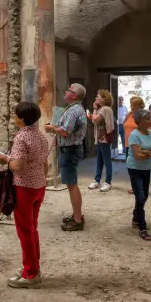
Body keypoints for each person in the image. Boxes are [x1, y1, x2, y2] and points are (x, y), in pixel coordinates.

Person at [0, 102, 49, 289]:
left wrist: (6, 160)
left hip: (24, 187)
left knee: (25, 231)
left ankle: (31, 274)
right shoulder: (41, 136)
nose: (14, 117)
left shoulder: (21, 138)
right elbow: (44, 164)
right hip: (38, 186)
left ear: (21, 118)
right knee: (32, 228)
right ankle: (32, 267)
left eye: (15, 114)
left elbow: (19, 166)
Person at [45, 83, 87, 231]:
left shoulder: (74, 111)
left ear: (74, 95)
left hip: (69, 150)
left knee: (72, 185)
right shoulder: (74, 109)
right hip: (71, 149)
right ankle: (77, 215)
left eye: (68, 90)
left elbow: (65, 131)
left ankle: (77, 220)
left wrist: (51, 128)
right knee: (71, 184)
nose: (66, 91)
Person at [127, 110, 151, 241]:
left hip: (146, 168)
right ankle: (142, 227)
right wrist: (149, 152)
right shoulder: (134, 135)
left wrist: (146, 152)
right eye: (147, 119)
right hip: (134, 168)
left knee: (144, 196)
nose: (150, 121)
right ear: (139, 122)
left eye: (150, 118)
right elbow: (137, 156)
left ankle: (136, 217)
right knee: (140, 197)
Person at [88, 90, 115, 192]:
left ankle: (108, 182)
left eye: (97, 97)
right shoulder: (104, 109)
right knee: (99, 159)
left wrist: (93, 110)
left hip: (104, 138)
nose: (96, 98)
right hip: (100, 138)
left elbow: (94, 120)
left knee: (106, 160)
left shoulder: (104, 109)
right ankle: (97, 180)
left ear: (103, 99)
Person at [123, 96, 145, 194]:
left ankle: (141, 187)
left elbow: (149, 130)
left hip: (138, 145)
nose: (132, 107)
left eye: (134, 105)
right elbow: (124, 124)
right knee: (131, 167)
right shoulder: (129, 114)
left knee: (139, 167)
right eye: (131, 104)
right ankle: (135, 187)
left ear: (140, 106)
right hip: (128, 144)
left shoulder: (143, 116)